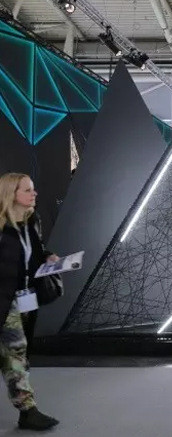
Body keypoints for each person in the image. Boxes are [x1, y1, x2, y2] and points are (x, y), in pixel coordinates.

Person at [0, 173, 59, 430]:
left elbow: (34, 252)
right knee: (16, 351)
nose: (34, 194)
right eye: (27, 190)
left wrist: (47, 257)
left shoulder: (32, 222)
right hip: (6, 300)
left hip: (27, 297)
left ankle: (26, 410)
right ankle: (27, 410)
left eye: (33, 189)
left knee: (19, 353)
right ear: (11, 194)